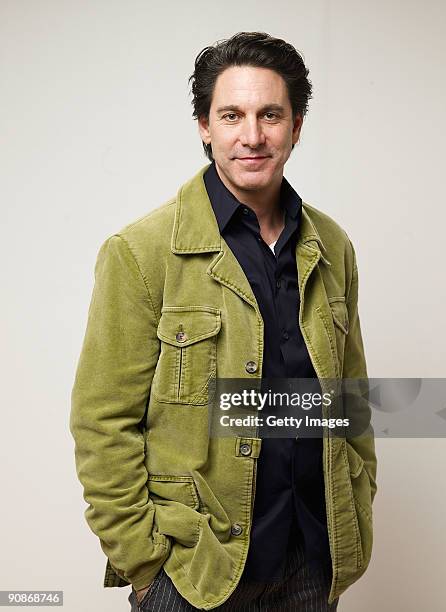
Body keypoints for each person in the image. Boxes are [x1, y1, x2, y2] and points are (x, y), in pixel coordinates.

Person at [70, 31, 377, 611]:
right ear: (204, 126)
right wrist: (145, 562)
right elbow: (100, 422)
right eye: (231, 115)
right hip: (195, 572)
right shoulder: (141, 251)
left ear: (297, 125)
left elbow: (350, 399)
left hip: (312, 559)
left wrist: (357, 498)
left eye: (271, 114)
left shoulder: (333, 246)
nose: (253, 135)